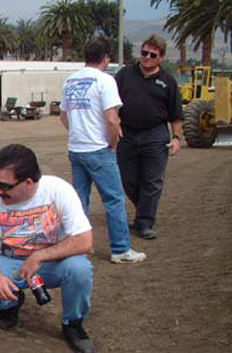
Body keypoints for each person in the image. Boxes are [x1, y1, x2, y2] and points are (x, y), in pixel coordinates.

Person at [0, 144, 96, 353]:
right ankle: (11, 302)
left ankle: (73, 324)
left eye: (5, 186)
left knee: (80, 268)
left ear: (28, 182)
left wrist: (40, 256)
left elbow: (85, 241)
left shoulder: (58, 190)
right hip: (11, 260)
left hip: (51, 262)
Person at [60, 37, 146, 264]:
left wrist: (78, 133)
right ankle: (121, 249)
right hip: (98, 149)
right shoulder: (105, 81)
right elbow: (112, 119)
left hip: (76, 149)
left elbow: (64, 116)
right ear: (106, 58)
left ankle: (80, 246)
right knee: (114, 199)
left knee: (80, 200)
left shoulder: (70, 81)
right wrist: (112, 143)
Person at [115, 34, 184, 240]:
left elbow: (176, 114)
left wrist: (177, 138)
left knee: (152, 181)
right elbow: (111, 103)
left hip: (155, 136)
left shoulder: (168, 82)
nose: (146, 57)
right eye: (144, 53)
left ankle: (144, 222)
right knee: (128, 180)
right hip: (126, 135)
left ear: (161, 58)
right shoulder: (125, 75)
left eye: (152, 55)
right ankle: (143, 212)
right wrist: (114, 124)